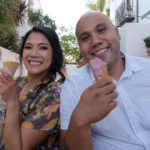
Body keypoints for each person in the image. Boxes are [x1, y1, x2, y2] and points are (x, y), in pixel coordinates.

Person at [60, 10, 150, 150]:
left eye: (101, 30)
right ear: (81, 48)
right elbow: (66, 146)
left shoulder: (147, 69)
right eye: (85, 38)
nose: (95, 41)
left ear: (117, 33)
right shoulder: (73, 85)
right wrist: (80, 118)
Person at [0, 26, 65, 150]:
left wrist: (13, 102)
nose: (34, 54)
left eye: (43, 48)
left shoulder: (52, 97)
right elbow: (3, 123)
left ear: (54, 54)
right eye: (28, 47)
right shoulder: (19, 82)